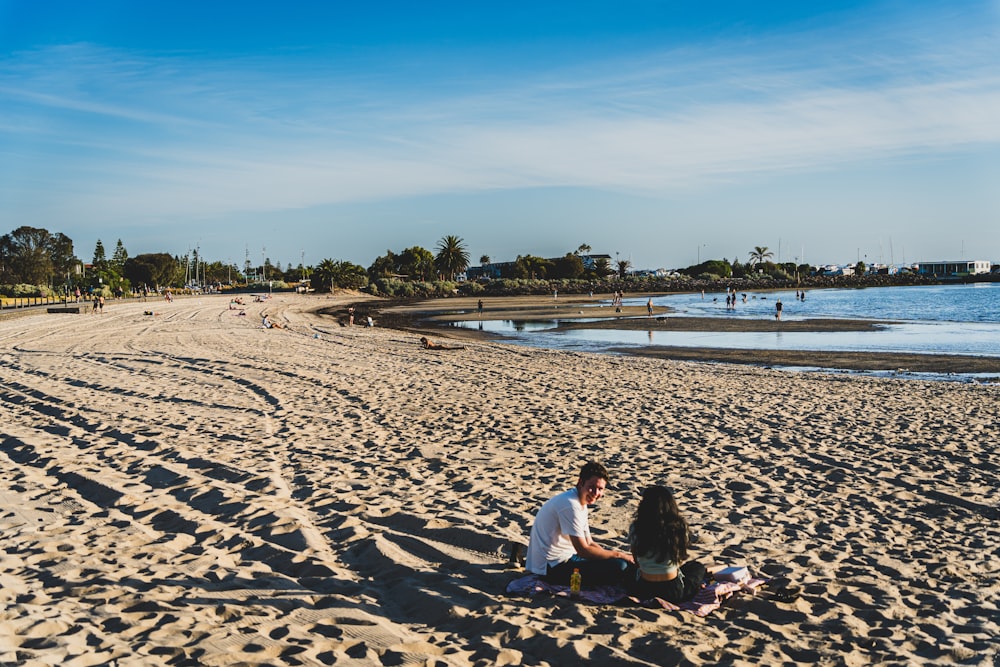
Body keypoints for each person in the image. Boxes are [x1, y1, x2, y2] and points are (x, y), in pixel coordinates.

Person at [526, 461, 634, 587]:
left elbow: (590, 543)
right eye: (592, 487)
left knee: (618, 562)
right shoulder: (570, 504)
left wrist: (614, 556)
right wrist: (618, 555)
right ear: (580, 482)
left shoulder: (580, 501)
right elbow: (583, 550)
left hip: (565, 558)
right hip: (550, 568)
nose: (595, 493)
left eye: (600, 489)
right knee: (620, 566)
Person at [626, 485, 707, 603]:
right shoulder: (679, 527)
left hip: (643, 590)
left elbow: (636, 560)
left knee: (628, 570)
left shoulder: (636, 527)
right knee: (697, 567)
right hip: (672, 591)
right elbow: (679, 560)